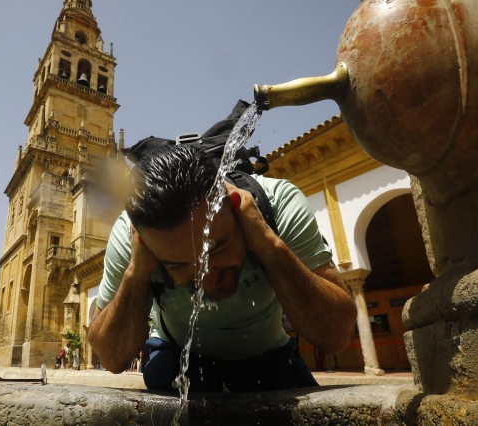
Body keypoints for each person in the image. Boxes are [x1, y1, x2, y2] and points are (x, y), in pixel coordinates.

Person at [88, 144, 357, 392]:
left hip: (269, 356)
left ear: (235, 209)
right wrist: (137, 271)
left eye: (215, 250)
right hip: (176, 354)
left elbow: (335, 336)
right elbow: (112, 357)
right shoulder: (130, 235)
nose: (208, 282)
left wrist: (267, 242)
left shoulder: (277, 204)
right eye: (178, 265)